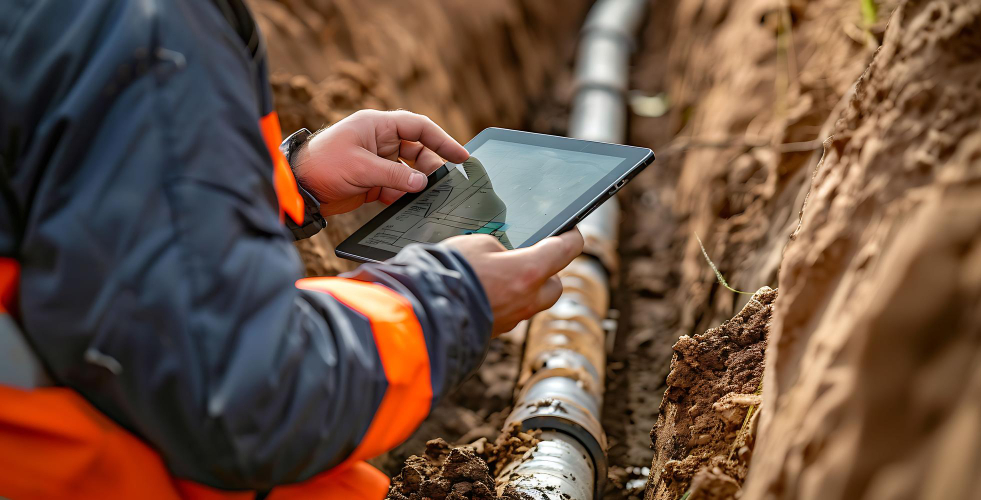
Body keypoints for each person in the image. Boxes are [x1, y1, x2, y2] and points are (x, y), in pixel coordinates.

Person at [0, 1, 583, 499]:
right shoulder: (145, 30)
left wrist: (289, 187)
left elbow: (92, 233)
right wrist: (449, 302)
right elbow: (244, 400)